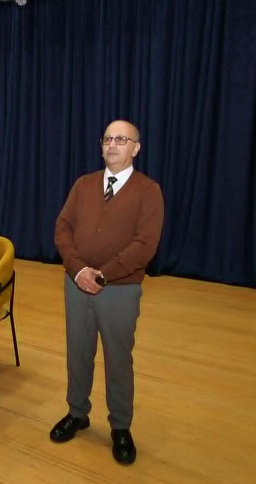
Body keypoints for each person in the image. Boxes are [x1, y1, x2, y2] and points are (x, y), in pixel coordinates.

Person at [51, 120, 164, 466]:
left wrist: (103, 274)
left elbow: (145, 245)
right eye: (108, 139)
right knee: (78, 352)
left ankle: (120, 427)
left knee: (118, 359)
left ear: (136, 148)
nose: (112, 144)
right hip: (76, 284)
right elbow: (63, 228)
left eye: (121, 139)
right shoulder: (83, 184)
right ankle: (77, 412)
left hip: (120, 289)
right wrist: (78, 269)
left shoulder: (149, 191)